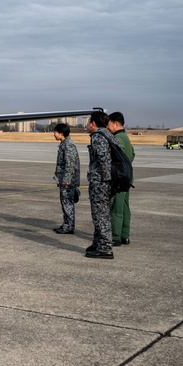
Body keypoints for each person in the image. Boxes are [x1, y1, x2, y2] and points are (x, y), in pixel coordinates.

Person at [86, 110, 116, 259]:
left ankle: (105, 248)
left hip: (101, 183)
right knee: (101, 214)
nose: (87, 125)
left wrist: (104, 182)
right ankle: (97, 243)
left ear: (93, 123)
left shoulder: (98, 137)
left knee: (100, 215)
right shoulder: (110, 135)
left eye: (88, 122)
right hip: (107, 182)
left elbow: (104, 161)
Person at [108, 111, 135, 246]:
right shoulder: (125, 137)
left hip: (120, 178)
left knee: (116, 208)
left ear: (116, 123)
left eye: (109, 123)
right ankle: (125, 235)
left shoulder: (117, 138)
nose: (108, 127)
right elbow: (132, 154)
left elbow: (120, 155)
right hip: (127, 177)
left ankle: (116, 237)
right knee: (124, 206)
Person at [52, 122, 80, 234]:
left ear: (61, 133)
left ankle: (68, 226)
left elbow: (70, 164)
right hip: (65, 180)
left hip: (67, 182)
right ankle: (67, 224)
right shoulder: (64, 144)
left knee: (67, 203)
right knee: (65, 203)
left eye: (55, 132)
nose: (54, 134)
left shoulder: (68, 146)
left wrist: (67, 180)